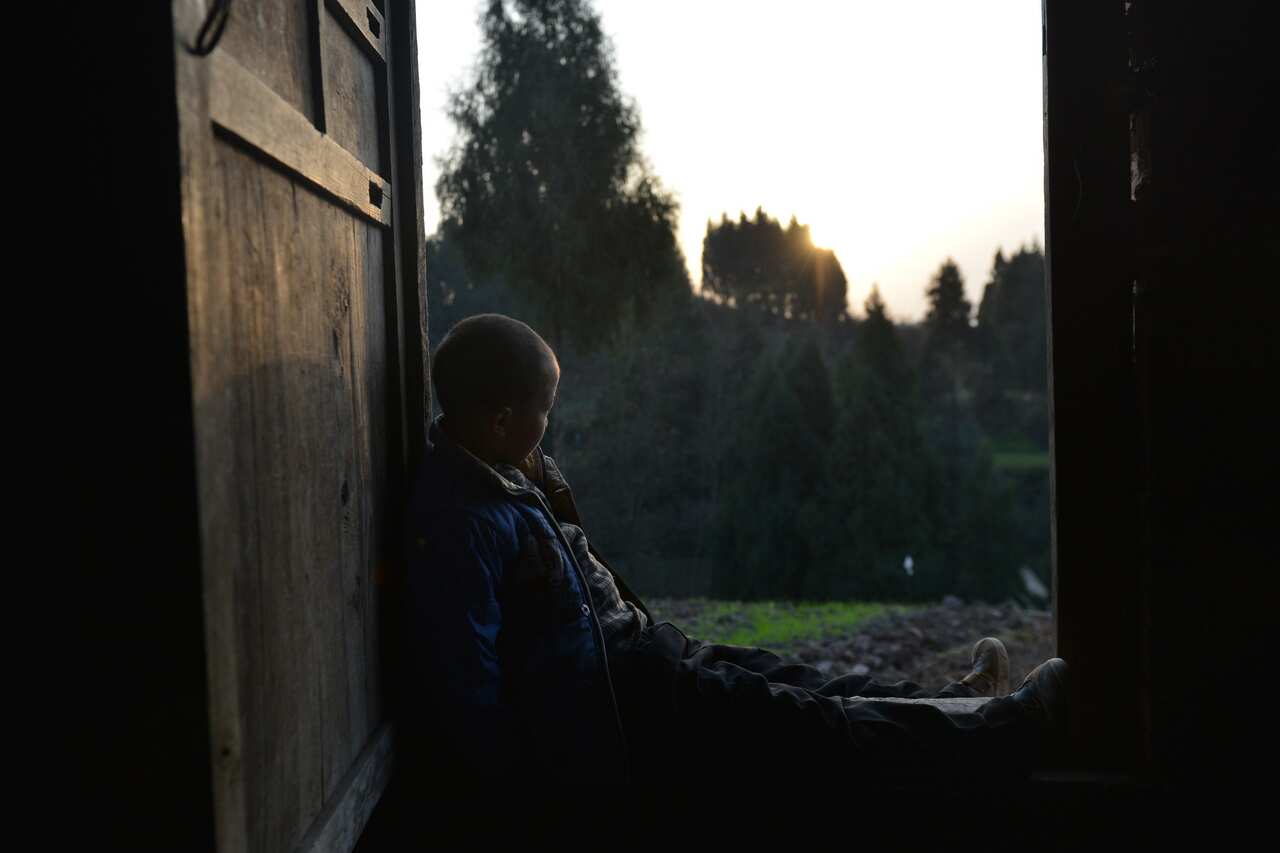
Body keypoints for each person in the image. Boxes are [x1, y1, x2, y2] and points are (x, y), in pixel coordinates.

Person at [398, 313, 1069, 823]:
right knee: (808, 724)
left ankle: (958, 703)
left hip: (642, 654)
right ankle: (999, 736)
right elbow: (470, 692)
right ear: (499, 419)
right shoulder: (461, 522)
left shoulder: (501, 473)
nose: (550, 426)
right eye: (543, 412)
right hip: (626, 705)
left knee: (798, 679)